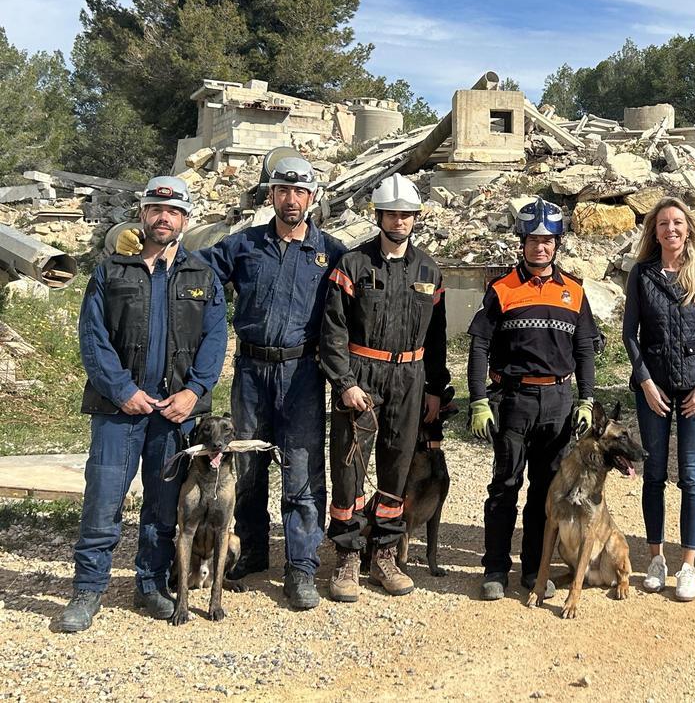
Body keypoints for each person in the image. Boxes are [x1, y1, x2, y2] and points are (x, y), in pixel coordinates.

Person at [57, 176, 227, 632]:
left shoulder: (201, 275)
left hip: (172, 414)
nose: (163, 217)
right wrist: (122, 390)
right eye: (155, 209)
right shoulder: (112, 271)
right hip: (119, 409)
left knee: (161, 505)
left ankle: (150, 584)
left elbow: (215, 339)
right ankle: (87, 591)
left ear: (185, 219)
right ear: (143, 215)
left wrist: (193, 393)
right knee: (103, 502)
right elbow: (93, 339)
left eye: (172, 212)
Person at [195, 155, 346, 609]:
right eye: (283, 190)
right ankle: (254, 552)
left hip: (301, 373)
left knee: (301, 470)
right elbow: (195, 271)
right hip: (250, 373)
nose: (291, 199)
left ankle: (301, 567)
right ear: (272, 196)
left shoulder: (332, 254)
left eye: (300, 192)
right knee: (247, 467)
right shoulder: (244, 245)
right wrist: (150, 248)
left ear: (312, 198)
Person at [320, 174, 449, 603]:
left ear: (416, 218)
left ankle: (385, 552)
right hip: (363, 375)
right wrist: (344, 383)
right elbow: (333, 331)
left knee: (397, 467)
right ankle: (347, 556)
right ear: (379, 216)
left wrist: (434, 388)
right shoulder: (353, 265)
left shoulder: (430, 270)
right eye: (392, 214)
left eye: (407, 215)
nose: (400, 221)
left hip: (410, 379)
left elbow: (438, 338)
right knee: (349, 467)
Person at [467, 196, 600, 601]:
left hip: (559, 402)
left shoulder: (574, 292)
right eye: (533, 240)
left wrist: (587, 399)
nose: (540, 247)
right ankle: (494, 568)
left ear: (557, 244)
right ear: (521, 241)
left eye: (548, 241)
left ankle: (532, 569)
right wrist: (477, 401)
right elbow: (478, 347)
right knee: (505, 486)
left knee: (546, 492)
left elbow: (584, 351)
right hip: (514, 400)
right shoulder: (501, 289)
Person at [623, 197, 695, 601]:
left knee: (692, 476)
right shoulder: (641, 275)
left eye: (678, 222)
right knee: (654, 474)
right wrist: (644, 381)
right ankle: (655, 558)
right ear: (654, 232)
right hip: (655, 388)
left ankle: (687, 566)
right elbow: (630, 334)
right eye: (663, 223)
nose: (671, 229)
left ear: (689, 229)